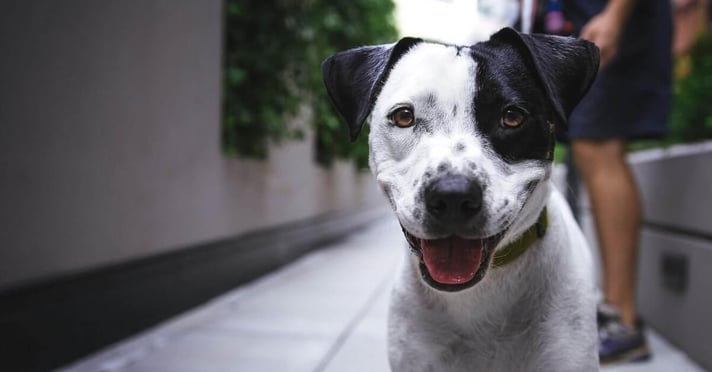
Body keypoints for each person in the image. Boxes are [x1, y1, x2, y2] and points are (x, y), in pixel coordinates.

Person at [561, 0, 673, 366]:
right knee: (590, 143)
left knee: (598, 143)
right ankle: (613, 313)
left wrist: (615, 14)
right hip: (591, 18)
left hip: (609, 17)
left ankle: (622, 320)